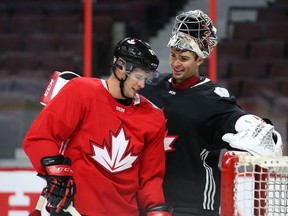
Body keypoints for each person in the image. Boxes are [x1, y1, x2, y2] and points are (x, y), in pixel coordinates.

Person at [140, 10, 283, 216]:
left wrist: (254, 127)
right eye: (173, 55)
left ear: (199, 60)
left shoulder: (214, 98)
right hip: (150, 200)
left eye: (184, 58)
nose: (176, 63)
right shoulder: (151, 85)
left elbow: (237, 119)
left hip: (194, 205)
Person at [23, 37, 173, 216]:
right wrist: (57, 173)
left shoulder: (153, 117)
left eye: (145, 78)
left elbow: (150, 179)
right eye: (139, 77)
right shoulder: (81, 92)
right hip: (75, 210)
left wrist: (155, 210)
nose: (142, 85)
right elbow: (40, 137)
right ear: (120, 67)